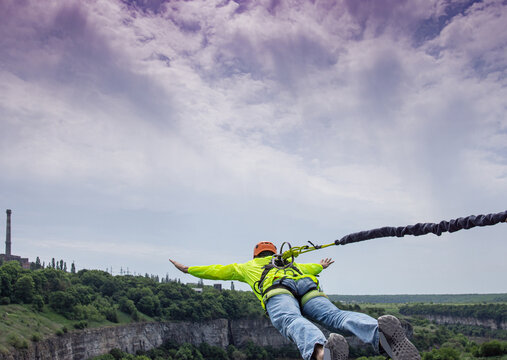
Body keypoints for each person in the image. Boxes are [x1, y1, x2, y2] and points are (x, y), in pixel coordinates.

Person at [170, 241, 420, 360]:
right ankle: (381, 333)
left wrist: (189, 269)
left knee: (290, 319)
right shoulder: (292, 263)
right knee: (336, 316)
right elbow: (313, 267)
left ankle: (323, 353)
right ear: (274, 253)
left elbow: (216, 270)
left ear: (256, 254)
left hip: (278, 291)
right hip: (307, 286)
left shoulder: (246, 266)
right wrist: (320, 266)